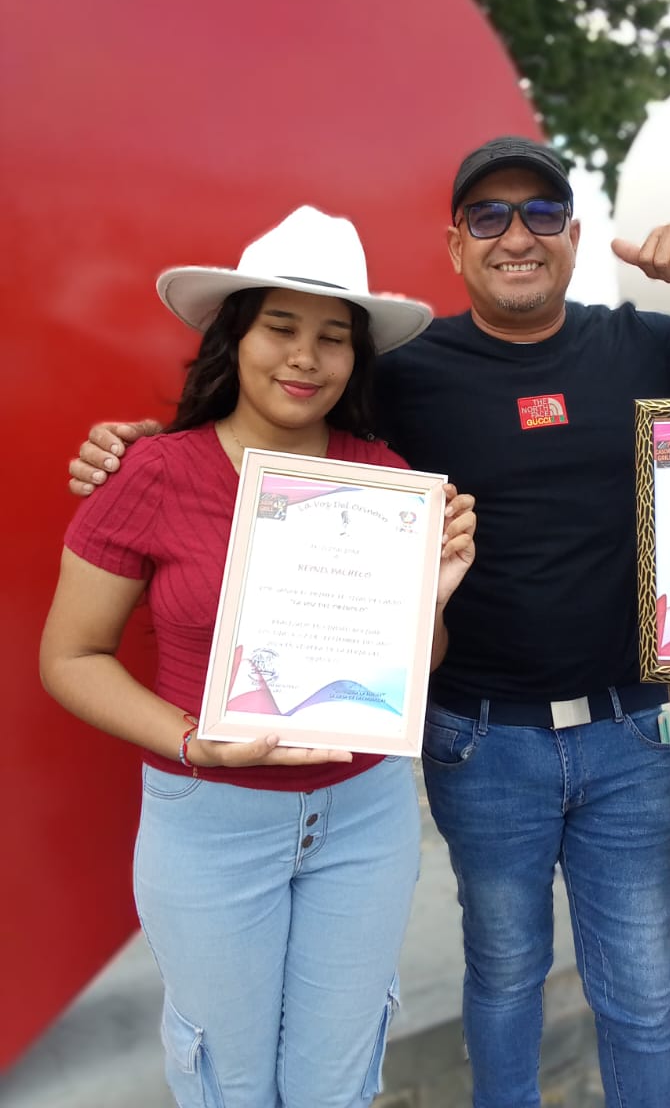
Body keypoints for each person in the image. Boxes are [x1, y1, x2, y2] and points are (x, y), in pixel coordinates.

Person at [68, 136, 670, 1108]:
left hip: (625, 731)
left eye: (540, 214)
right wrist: (135, 445)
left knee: (640, 995)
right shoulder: (409, 371)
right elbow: (269, 413)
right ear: (454, 244)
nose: (515, 234)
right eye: (489, 215)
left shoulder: (639, 344)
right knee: (497, 979)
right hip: (478, 740)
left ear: (572, 234)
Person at [41, 205, 477, 1108]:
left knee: (336, 1082)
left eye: (332, 338)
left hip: (364, 818)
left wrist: (427, 602)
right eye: (280, 327)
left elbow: (414, 663)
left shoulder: (388, 481)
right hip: (209, 820)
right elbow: (72, 656)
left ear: (356, 359)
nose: (305, 358)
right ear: (234, 338)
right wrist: (195, 740)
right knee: (228, 1083)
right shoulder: (153, 474)